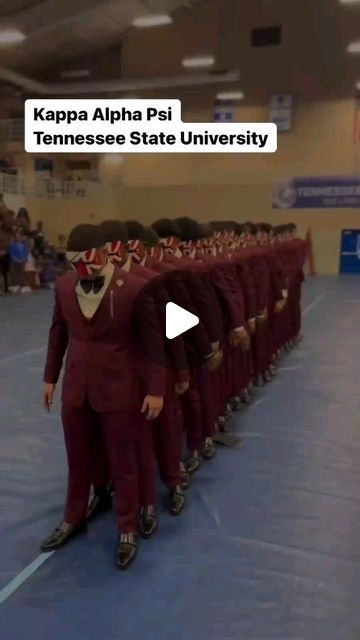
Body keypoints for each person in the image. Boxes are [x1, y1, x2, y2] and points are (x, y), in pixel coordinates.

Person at [41, 223, 166, 569]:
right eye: (74, 262)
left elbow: (155, 343)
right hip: (76, 388)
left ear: (106, 253)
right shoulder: (65, 286)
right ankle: (74, 515)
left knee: (123, 461)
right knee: (78, 458)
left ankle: (126, 527)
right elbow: (58, 332)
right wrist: (50, 377)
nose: (82, 269)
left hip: (119, 388)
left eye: (88, 260)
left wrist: (156, 389)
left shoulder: (136, 289)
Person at [0, 220, 10, 293]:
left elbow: (9, 243)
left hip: (6, 253)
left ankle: (6, 287)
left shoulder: (7, 233)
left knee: (5, 272)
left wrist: (6, 250)